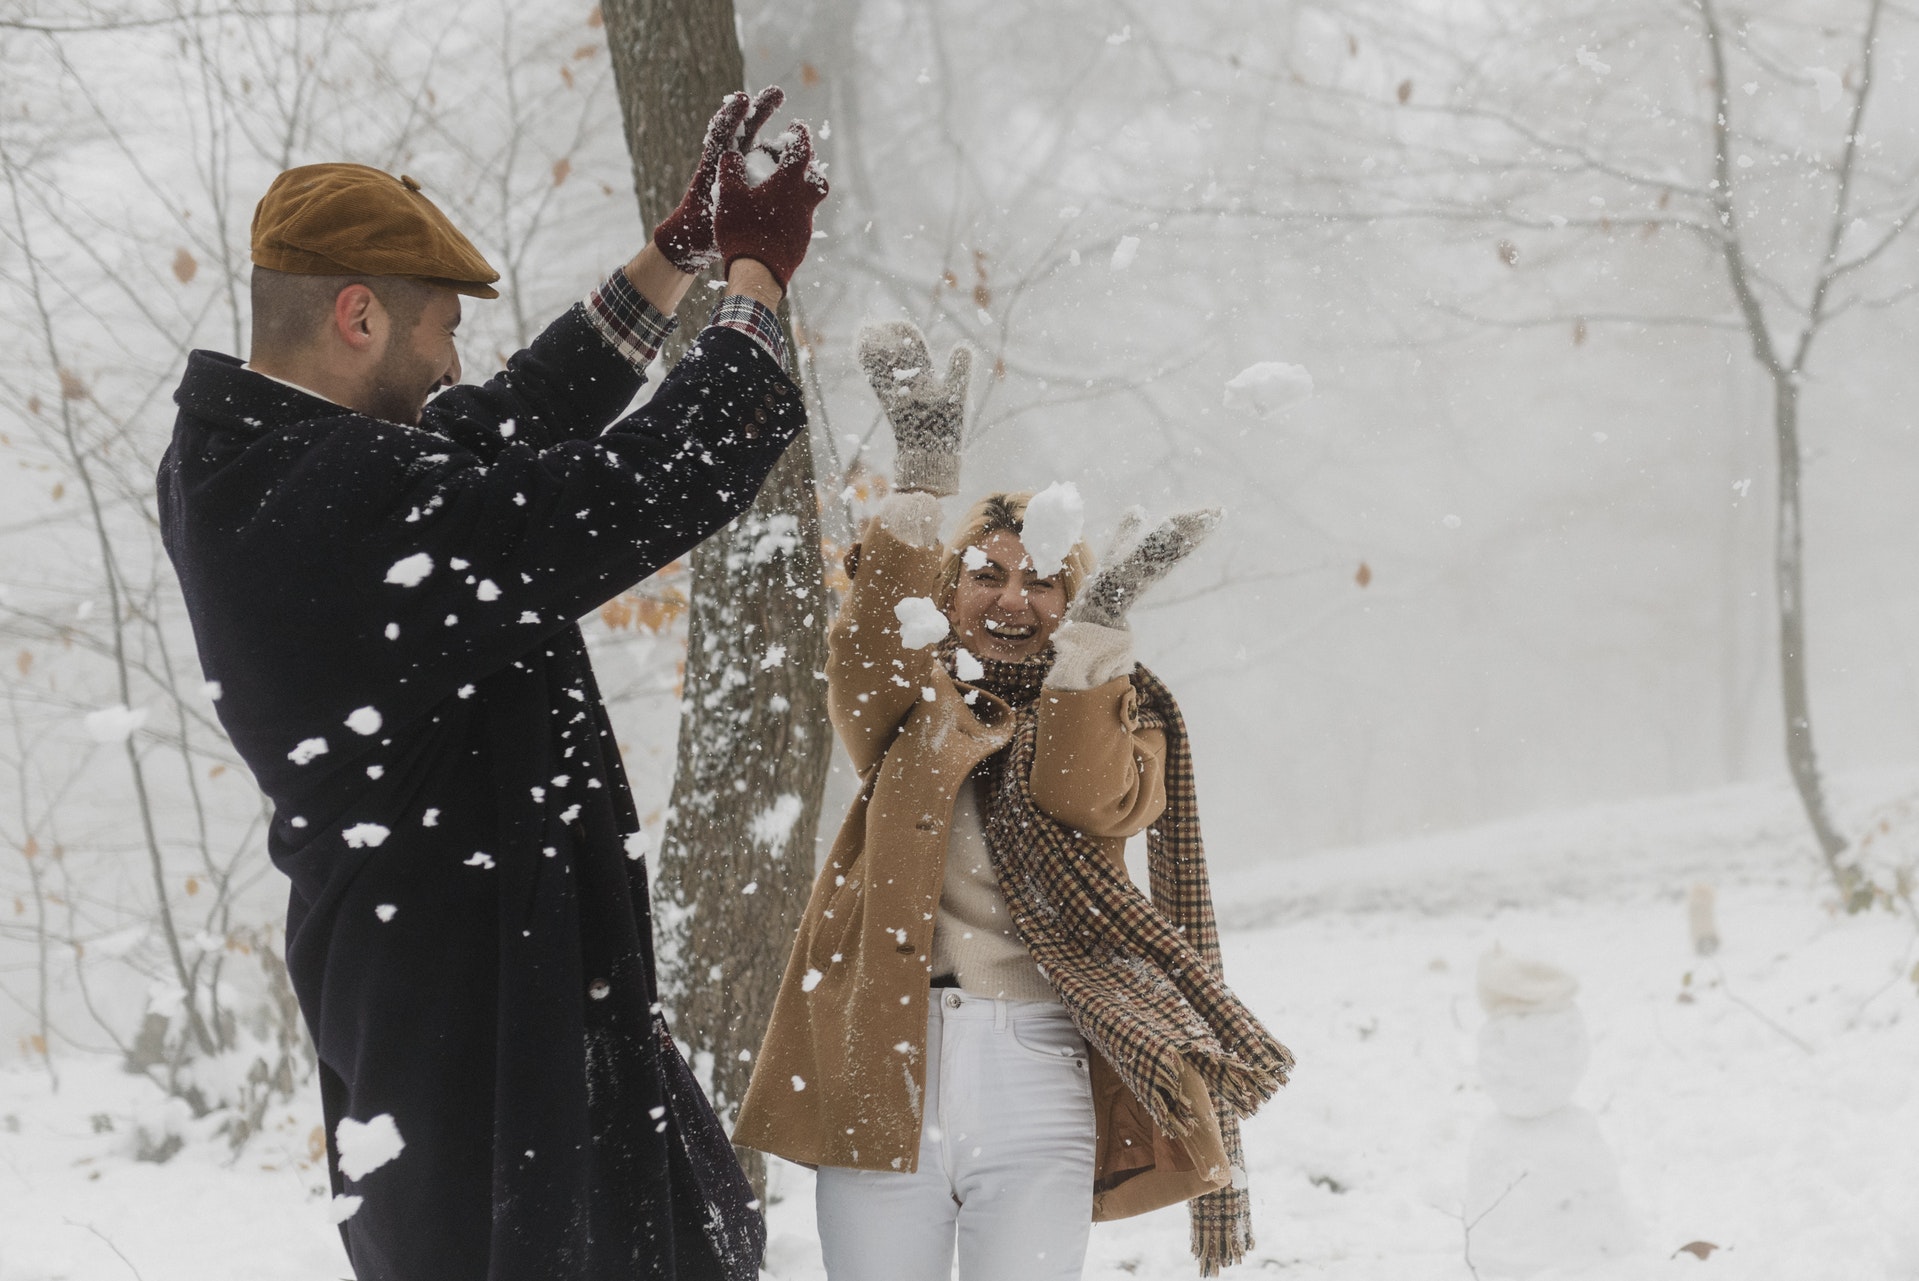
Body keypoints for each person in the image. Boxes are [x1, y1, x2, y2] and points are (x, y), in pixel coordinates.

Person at [158, 87, 824, 1281]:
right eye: (438, 330)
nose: (454, 358)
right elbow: (637, 488)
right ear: (358, 314)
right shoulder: (339, 501)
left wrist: (671, 257)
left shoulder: (250, 460)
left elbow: (496, 428)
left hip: (472, 992)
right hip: (478, 1034)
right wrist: (756, 285)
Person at [732, 322, 1294, 1278]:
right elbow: (864, 652)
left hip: (1038, 1067)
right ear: (947, 592)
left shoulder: (1126, 715)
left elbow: (1078, 789)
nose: (1012, 599)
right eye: (986, 575)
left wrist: (1098, 634)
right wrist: (918, 480)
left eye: (1044, 583)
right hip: (883, 1058)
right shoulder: (908, 711)